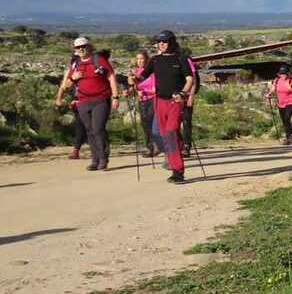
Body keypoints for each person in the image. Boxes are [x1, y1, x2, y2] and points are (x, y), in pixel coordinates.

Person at [131, 31, 194, 183]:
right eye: (159, 41)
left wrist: (183, 93)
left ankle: (178, 171)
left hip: (175, 101)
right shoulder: (155, 60)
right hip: (159, 102)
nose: (161, 44)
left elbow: (189, 79)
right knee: (165, 135)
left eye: (164, 41)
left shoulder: (181, 58)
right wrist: (133, 79)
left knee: (171, 133)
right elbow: (143, 76)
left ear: (171, 42)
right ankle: (173, 166)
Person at [55, 37, 118, 171]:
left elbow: (111, 76)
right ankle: (95, 160)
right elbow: (66, 85)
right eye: (78, 48)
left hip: (101, 99)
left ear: (89, 47)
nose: (81, 49)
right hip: (83, 101)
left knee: (98, 129)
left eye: (83, 46)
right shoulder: (75, 64)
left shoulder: (99, 60)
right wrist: (73, 77)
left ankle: (103, 158)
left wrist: (115, 97)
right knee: (89, 131)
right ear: (75, 50)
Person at [131, 49, 158, 157]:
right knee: (145, 125)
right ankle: (150, 148)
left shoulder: (151, 72)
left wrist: (144, 91)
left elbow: (155, 89)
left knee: (152, 124)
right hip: (142, 101)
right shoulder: (136, 71)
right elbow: (135, 87)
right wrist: (129, 90)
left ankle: (156, 146)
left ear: (146, 59)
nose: (140, 61)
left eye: (142, 59)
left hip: (152, 99)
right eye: (138, 59)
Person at [267, 64, 292, 145]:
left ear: (288, 73)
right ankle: (291, 134)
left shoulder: (291, 80)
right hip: (280, 103)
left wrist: (290, 88)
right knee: (284, 121)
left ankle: (288, 137)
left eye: (284, 73)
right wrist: (269, 94)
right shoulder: (277, 80)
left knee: (286, 118)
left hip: (290, 102)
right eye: (281, 73)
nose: (283, 75)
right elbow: (273, 88)